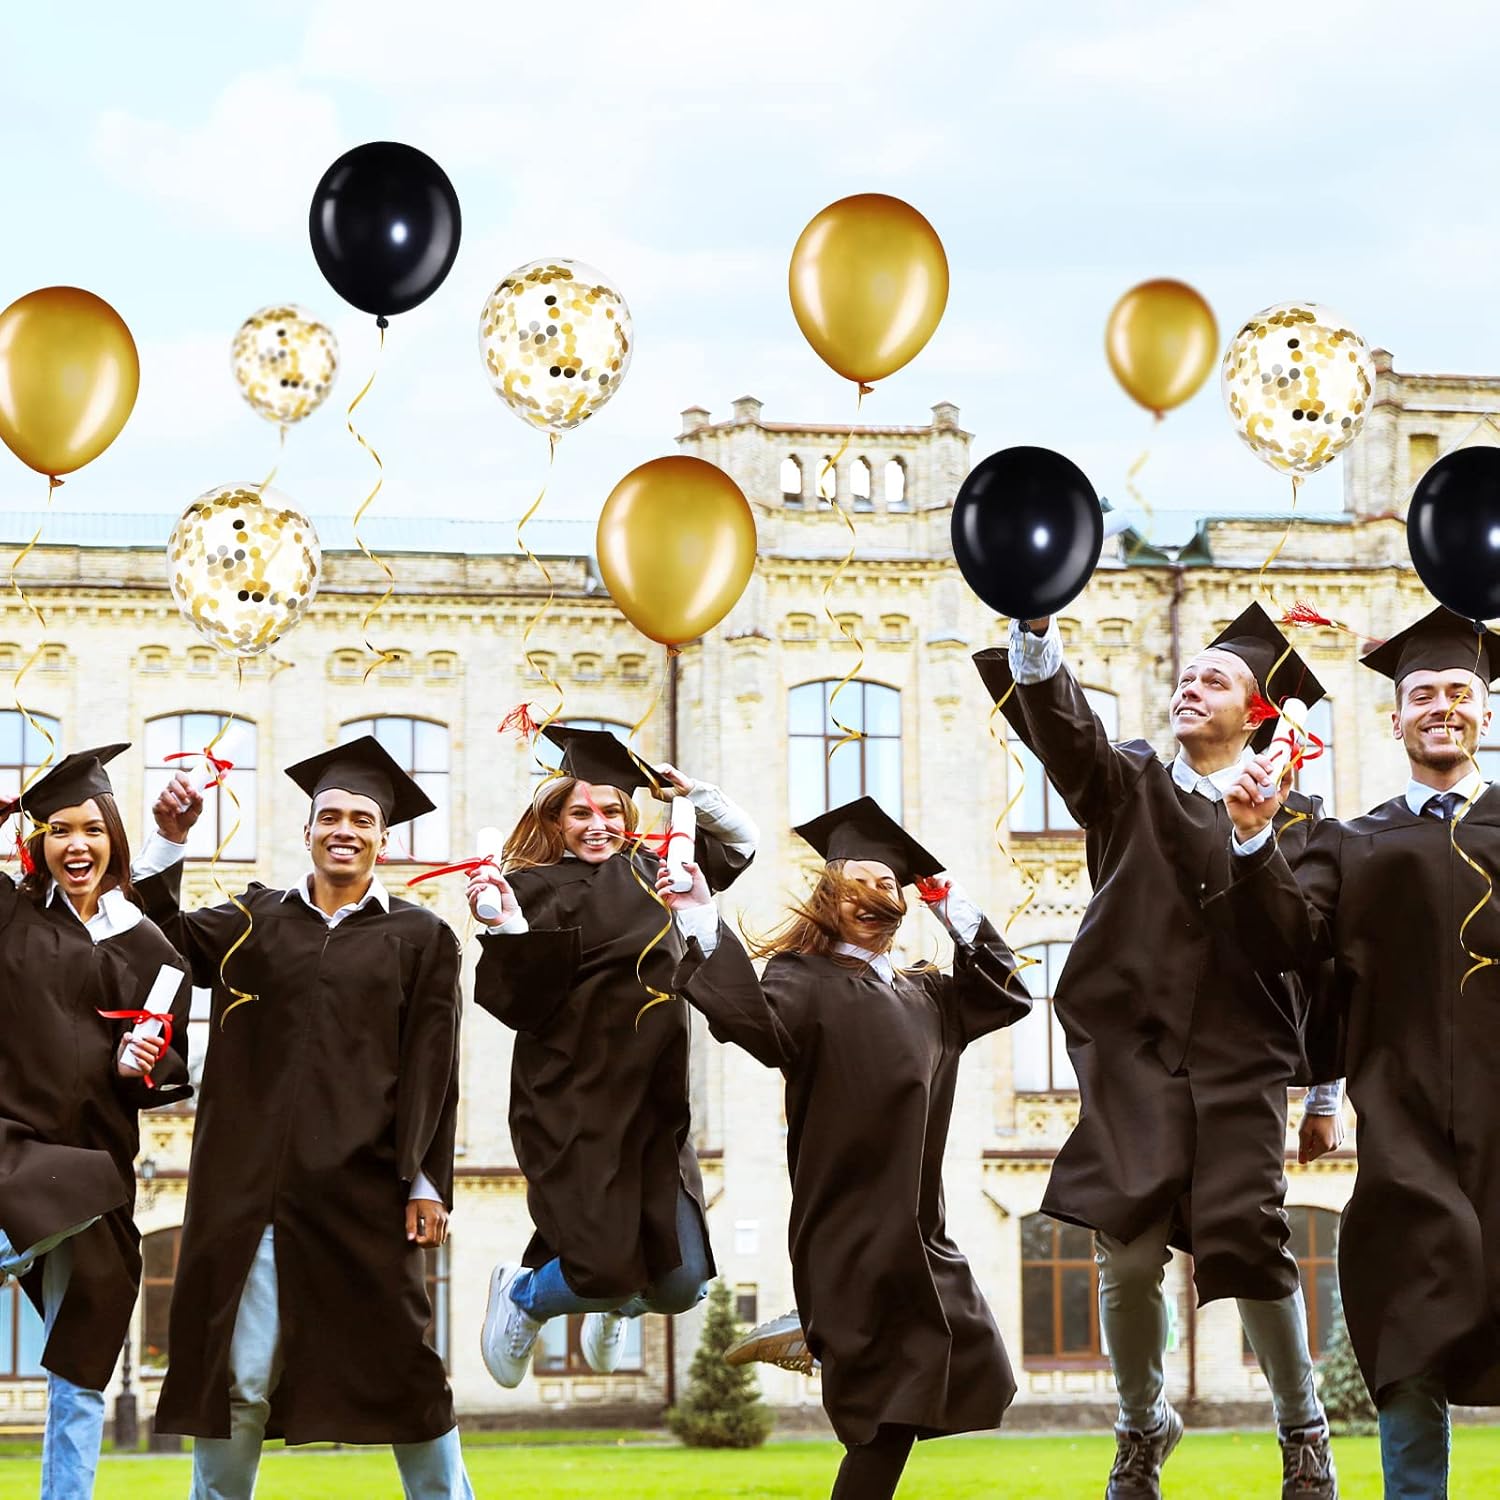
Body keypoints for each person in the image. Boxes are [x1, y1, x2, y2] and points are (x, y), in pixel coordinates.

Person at [973, 601, 1340, 1500]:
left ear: (1257, 714)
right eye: (1186, 675)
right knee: (1128, 1253)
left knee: (1250, 1244)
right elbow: (1065, 732)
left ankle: (1303, 1427)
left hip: (1241, 1057)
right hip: (1133, 1056)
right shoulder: (1127, 782)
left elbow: (1308, 954)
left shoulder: (1301, 822)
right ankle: (1142, 1425)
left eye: (1215, 679)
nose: (1190, 686)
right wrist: (1035, 627)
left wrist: (1326, 1093)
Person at [660, 795, 1029, 1500]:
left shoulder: (931, 995)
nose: (871, 894)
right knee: (886, 1411)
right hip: (850, 1229)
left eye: (887, 883)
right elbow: (752, 1024)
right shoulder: (802, 980)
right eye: (854, 883)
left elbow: (1007, 994)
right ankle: (823, 1329)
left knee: (972, 1364)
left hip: (919, 1229)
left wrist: (950, 903)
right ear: (828, 900)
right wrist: (699, 914)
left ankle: (818, 1333)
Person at [136, 736, 471, 1500]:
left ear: (384, 838)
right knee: (241, 1377)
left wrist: (428, 1183)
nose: (344, 829)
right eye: (330, 816)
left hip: (365, 1189)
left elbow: (436, 1069)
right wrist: (170, 838)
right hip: (250, 1189)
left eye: (361, 818)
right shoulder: (254, 918)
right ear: (308, 829)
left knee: (409, 1373)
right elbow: (158, 940)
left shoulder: (421, 937)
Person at [1225, 604, 1500, 1500]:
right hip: (1405, 1125)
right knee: (1406, 1324)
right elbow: (1284, 941)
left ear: (1485, 711)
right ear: (1395, 718)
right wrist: (1256, 837)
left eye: (1459, 691)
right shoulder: (1351, 842)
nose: (1442, 706)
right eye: (1423, 694)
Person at [466, 726, 757, 1386]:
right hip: (573, 1104)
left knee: (682, 1283)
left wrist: (699, 796)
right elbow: (519, 1001)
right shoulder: (532, 887)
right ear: (556, 820)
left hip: (654, 1107)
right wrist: (506, 927)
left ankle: (616, 1305)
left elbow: (742, 846)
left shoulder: (660, 872)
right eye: (580, 812)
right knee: (601, 1269)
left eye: (611, 811)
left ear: (629, 816)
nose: (597, 825)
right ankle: (523, 1295)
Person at [1, 744, 191, 1500]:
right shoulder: (11, 912)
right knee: (58, 1195)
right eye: (59, 831)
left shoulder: (149, 946)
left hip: (98, 1159)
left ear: (113, 837)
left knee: (81, 1366)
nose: (76, 845)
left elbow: (168, 1065)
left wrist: (142, 1060)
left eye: (91, 829)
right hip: (13, 1141)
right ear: (39, 842)